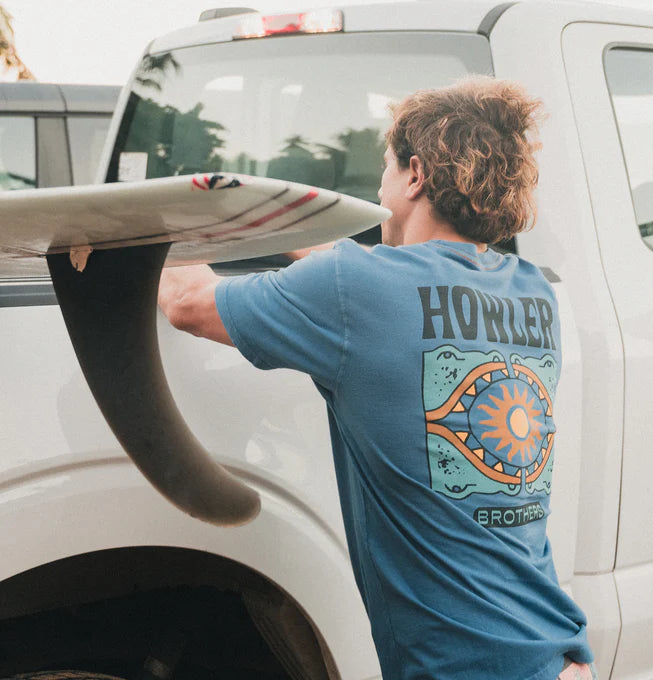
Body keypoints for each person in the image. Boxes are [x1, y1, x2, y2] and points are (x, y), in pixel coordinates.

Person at [158, 76, 597, 680]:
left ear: (415, 174)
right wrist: (295, 232)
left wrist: (156, 218)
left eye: (386, 170)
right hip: (557, 656)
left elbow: (186, 301)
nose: (379, 186)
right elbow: (379, 294)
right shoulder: (530, 292)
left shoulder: (353, 291)